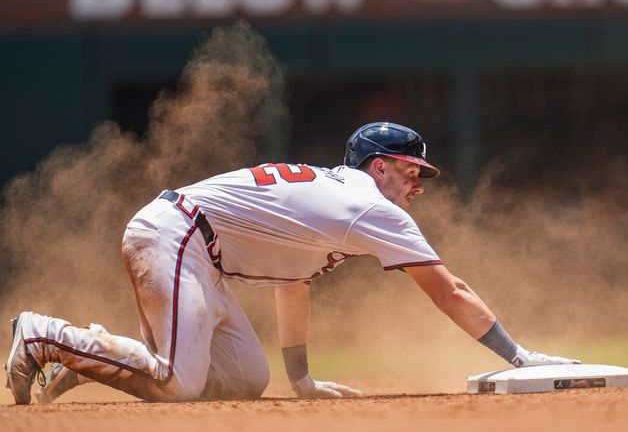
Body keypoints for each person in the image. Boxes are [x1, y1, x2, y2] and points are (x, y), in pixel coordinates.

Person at [5, 121, 578, 404]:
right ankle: (45, 335)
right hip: (175, 235)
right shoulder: (367, 206)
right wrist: (518, 357)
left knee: (246, 381)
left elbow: (291, 284)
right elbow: (449, 290)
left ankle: (88, 355)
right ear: (378, 167)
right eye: (410, 170)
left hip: (194, 247)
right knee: (178, 383)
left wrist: (300, 379)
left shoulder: (336, 200)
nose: (417, 183)